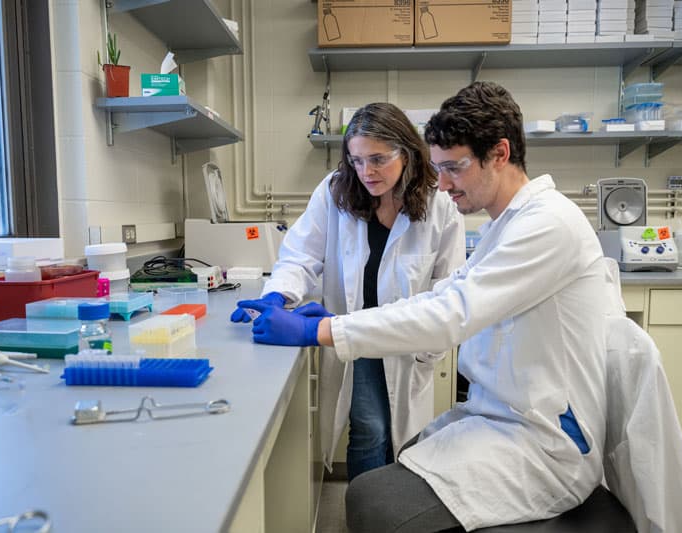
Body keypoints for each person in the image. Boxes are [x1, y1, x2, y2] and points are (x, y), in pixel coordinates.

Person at [239, 81, 611, 532]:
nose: (445, 183)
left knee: (377, 496)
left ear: (499, 153)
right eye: (440, 168)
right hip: (505, 416)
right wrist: (330, 316)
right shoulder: (508, 225)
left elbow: (451, 311)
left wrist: (322, 331)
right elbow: (443, 295)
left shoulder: (546, 225)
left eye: (454, 167)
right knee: (379, 464)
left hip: (544, 440)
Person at [231, 102, 466, 482]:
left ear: (405, 152)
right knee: (370, 428)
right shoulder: (335, 191)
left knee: (404, 439)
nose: (365, 172)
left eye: (377, 159)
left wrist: (428, 351)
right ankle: (367, 512)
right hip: (352, 332)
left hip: (406, 342)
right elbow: (301, 254)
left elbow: (449, 288)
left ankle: (394, 509)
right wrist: (279, 295)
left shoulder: (440, 205)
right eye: (356, 160)